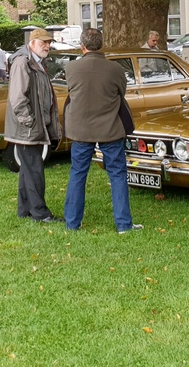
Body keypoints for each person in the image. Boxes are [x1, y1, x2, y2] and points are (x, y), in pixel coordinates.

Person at [63, 28, 142, 234]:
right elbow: (121, 93)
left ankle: (72, 222)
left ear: (82, 46)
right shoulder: (115, 69)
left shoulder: (71, 68)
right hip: (110, 128)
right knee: (117, 175)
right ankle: (123, 224)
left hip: (81, 130)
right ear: (102, 45)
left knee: (78, 174)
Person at [4, 29, 62, 223]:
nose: (47, 46)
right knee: (35, 169)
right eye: (43, 42)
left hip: (33, 126)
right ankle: (40, 213)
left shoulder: (37, 62)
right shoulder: (23, 62)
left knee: (28, 169)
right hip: (28, 127)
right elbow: (17, 98)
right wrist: (29, 121)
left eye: (49, 43)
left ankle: (25, 210)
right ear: (33, 42)